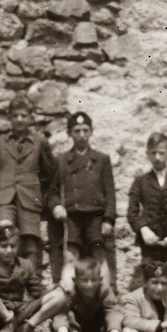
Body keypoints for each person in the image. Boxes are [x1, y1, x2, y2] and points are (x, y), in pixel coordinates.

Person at [0, 93, 63, 270]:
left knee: (30, 242)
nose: (20, 119)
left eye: (24, 116)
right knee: (4, 236)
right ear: (9, 117)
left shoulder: (40, 142)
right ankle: (2, 279)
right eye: (16, 115)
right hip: (4, 199)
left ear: (31, 118)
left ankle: (32, 286)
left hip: (30, 200)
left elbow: (51, 173)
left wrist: (34, 186)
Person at [54, 111, 118, 290]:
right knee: (70, 256)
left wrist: (108, 218)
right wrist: (56, 206)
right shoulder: (61, 161)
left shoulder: (101, 159)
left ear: (91, 132)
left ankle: (106, 295)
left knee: (99, 255)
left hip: (95, 215)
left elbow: (110, 193)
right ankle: (67, 293)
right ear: (69, 133)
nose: (81, 135)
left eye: (85, 130)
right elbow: (52, 192)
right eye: (76, 131)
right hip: (72, 216)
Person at [128, 132, 167, 278]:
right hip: (150, 244)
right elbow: (132, 213)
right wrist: (144, 230)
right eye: (153, 153)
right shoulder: (140, 181)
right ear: (147, 154)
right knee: (151, 281)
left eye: (161, 153)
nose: (157, 157)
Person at [28, 260, 123, 332]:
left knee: (114, 318)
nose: (89, 285)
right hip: (74, 327)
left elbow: (113, 311)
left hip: (96, 327)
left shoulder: (104, 290)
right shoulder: (71, 291)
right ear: (75, 280)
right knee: (68, 314)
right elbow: (60, 314)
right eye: (84, 280)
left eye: (94, 280)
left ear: (100, 280)